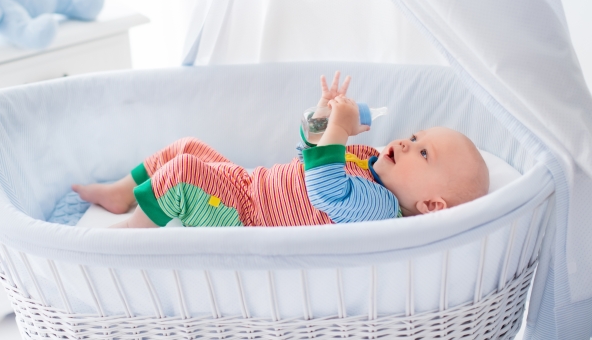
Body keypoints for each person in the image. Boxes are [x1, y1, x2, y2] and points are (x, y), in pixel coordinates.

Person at [72, 72, 489, 228]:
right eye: (415, 137)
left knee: (184, 172)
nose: (405, 142)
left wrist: (341, 131)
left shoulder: (380, 208)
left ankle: (128, 239)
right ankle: (123, 192)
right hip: (248, 184)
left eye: (423, 154)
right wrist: (324, 120)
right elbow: (305, 154)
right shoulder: (370, 163)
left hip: (245, 216)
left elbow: (323, 188)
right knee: (189, 146)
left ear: (431, 205)